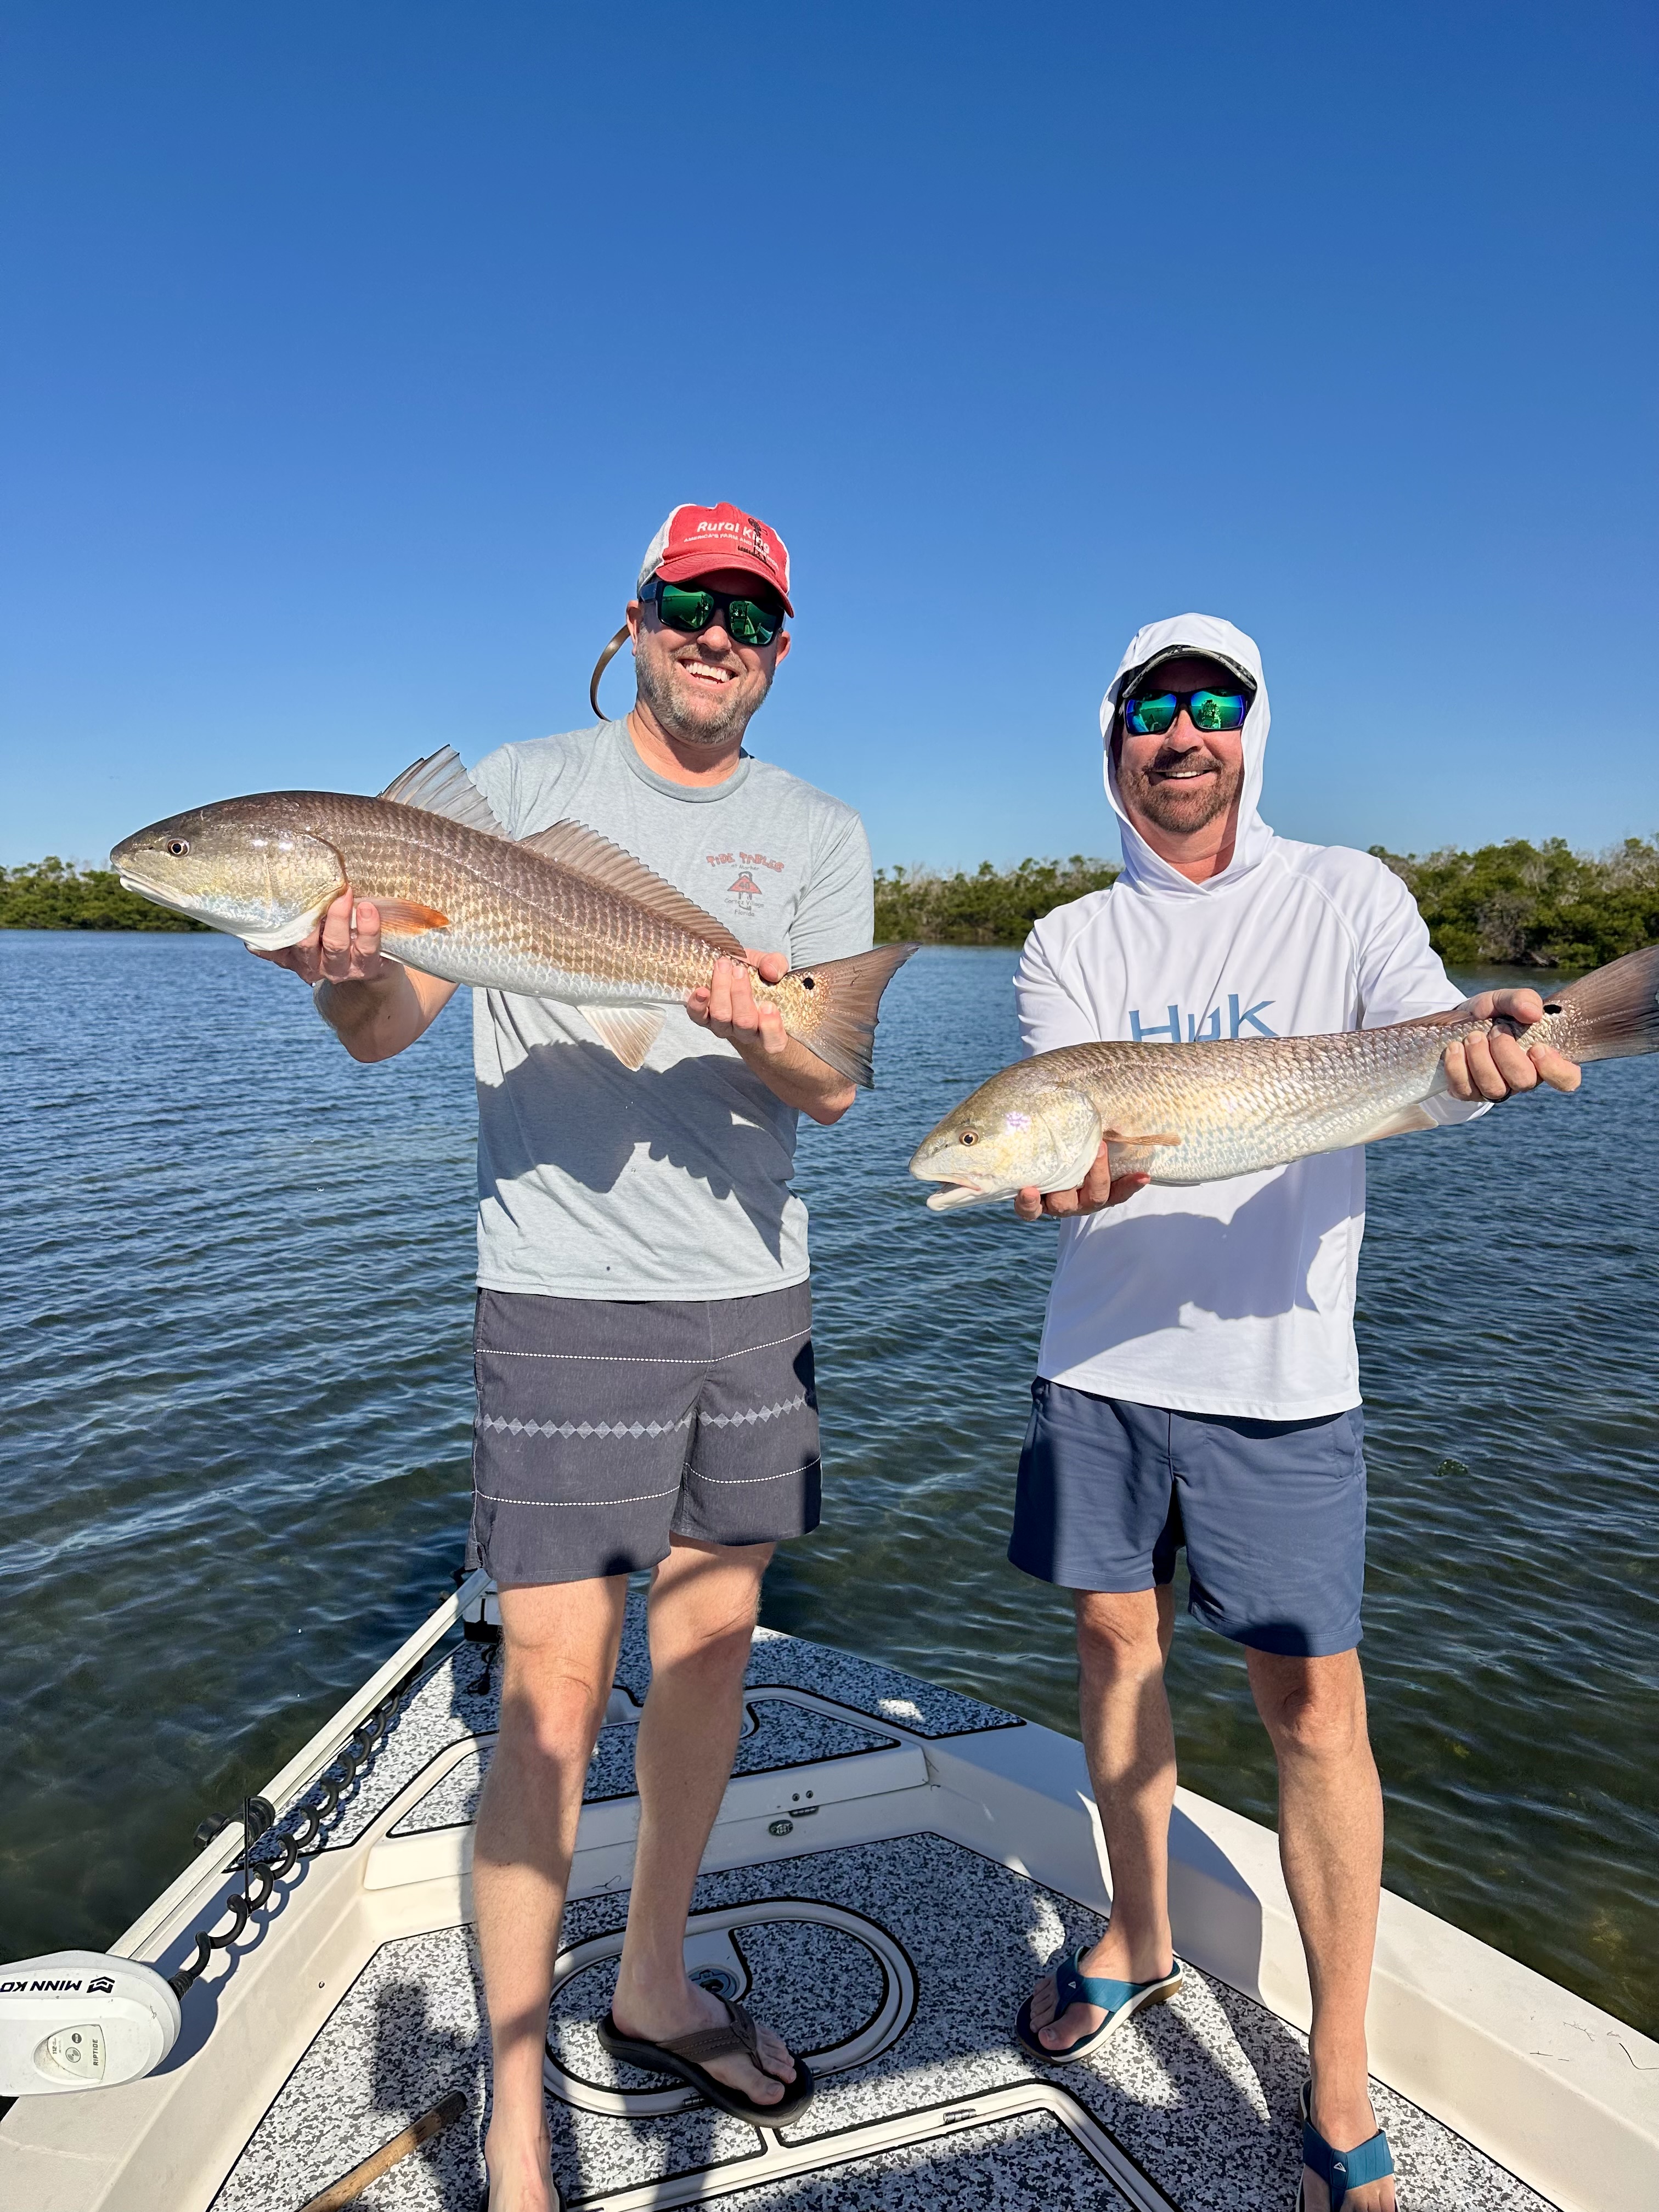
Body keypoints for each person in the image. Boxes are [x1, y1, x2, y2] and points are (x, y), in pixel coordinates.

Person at [255, 503, 879, 2212]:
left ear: (781, 642)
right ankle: (521, 2128)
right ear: (636, 614)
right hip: (560, 1295)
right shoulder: (509, 793)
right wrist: (340, 972)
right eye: (688, 601)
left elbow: (833, 1085)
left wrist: (778, 1031)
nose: (714, 634)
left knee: (710, 1654)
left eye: (748, 611)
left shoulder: (820, 835)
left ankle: (654, 1979)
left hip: (750, 1292)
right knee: (544, 1696)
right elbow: (390, 1031)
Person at [1006, 613, 1581, 2212]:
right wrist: (1065, 1171)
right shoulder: (1067, 943)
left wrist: (1494, 1047)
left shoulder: (1349, 896)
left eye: (1212, 706)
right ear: (1110, 739)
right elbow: (1069, 1135)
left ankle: (1336, 2075)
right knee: (1114, 1655)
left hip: (1284, 1380)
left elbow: (1428, 1035)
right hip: (1101, 1371)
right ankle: (1140, 1930)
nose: (1181, 736)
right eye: (1150, 710)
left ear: (1251, 730)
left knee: (1316, 1716)